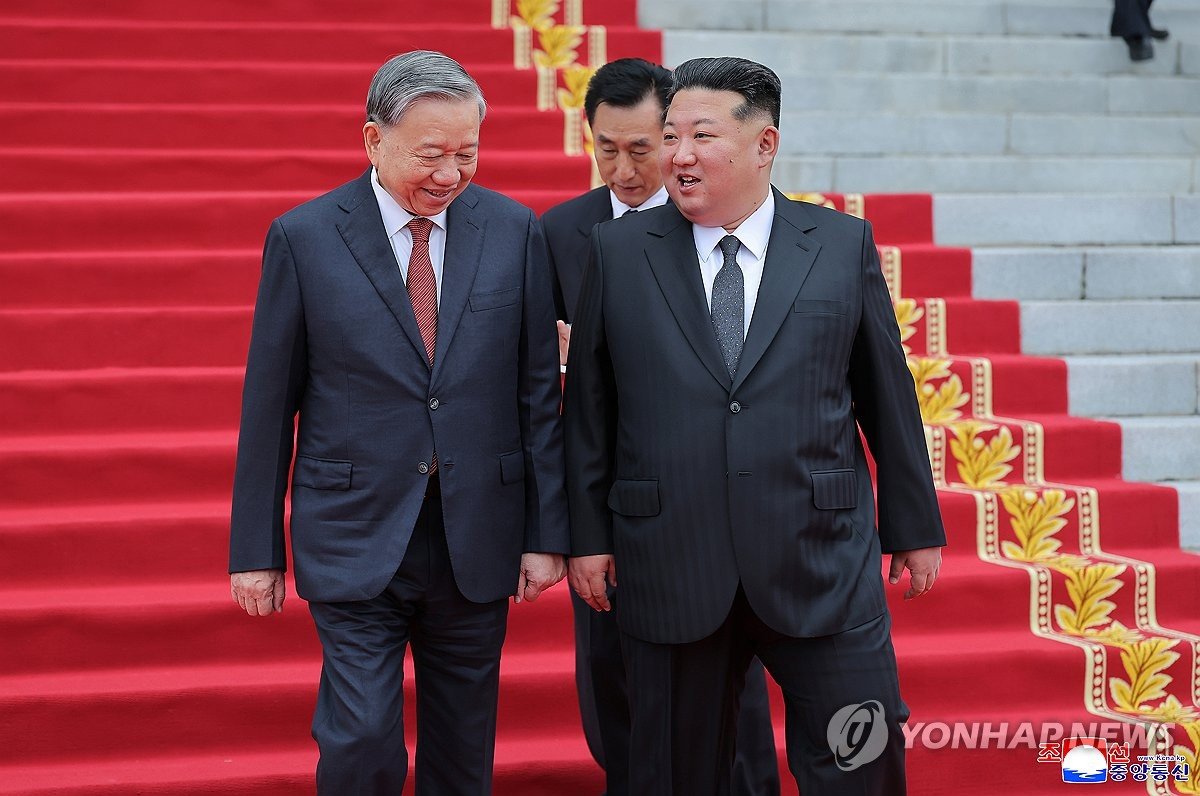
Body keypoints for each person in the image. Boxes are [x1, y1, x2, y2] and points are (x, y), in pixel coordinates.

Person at [563, 56, 946, 795]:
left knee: (859, 765)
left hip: (819, 558)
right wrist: (586, 538)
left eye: (700, 135)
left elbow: (885, 393)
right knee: (674, 775)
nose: (676, 155)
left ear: (764, 144)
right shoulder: (617, 253)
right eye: (670, 135)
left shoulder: (839, 245)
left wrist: (914, 524)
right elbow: (591, 413)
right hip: (669, 560)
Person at [228, 50, 569, 794]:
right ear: (373, 140)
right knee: (359, 740)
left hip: (475, 533)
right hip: (353, 528)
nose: (449, 174)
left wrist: (548, 535)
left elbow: (538, 394)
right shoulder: (306, 237)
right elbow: (268, 403)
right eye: (431, 155)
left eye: (467, 153)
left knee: (462, 746)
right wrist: (255, 547)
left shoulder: (514, 230)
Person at [541, 58, 780, 796]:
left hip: (710, 506)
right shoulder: (559, 232)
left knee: (724, 694)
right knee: (610, 681)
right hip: (611, 501)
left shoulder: (717, 221)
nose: (624, 169)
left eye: (641, 148)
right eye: (605, 149)